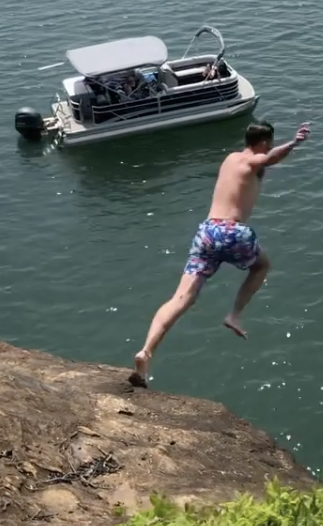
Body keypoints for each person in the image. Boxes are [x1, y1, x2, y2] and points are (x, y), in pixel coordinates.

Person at [129, 120, 311, 387]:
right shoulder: (254, 161)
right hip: (232, 232)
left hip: (207, 232)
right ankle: (234, 315)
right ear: (263, 143)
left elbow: (261, 163)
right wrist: (294, 143)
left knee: (181, 298)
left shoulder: (230, 159)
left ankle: (146, 351)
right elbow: (270, 159)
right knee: (261, 266)